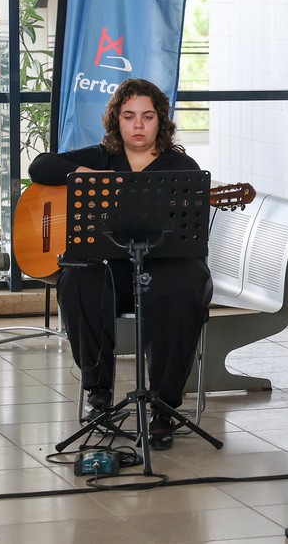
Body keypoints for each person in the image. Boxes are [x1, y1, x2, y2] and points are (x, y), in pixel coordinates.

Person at [29, 78, 211, 450]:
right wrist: (82, 176)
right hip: (112, 268)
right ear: (117, 122)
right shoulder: (100, 157)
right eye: (129, 116)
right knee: (78, 281)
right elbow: (39, 166)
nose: (138, 125)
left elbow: (189, 234)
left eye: (147, 116)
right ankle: (99, 394)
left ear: (161, 120)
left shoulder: (181, 166)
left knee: (180, 288)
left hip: (163, 266)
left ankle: (163, 407)